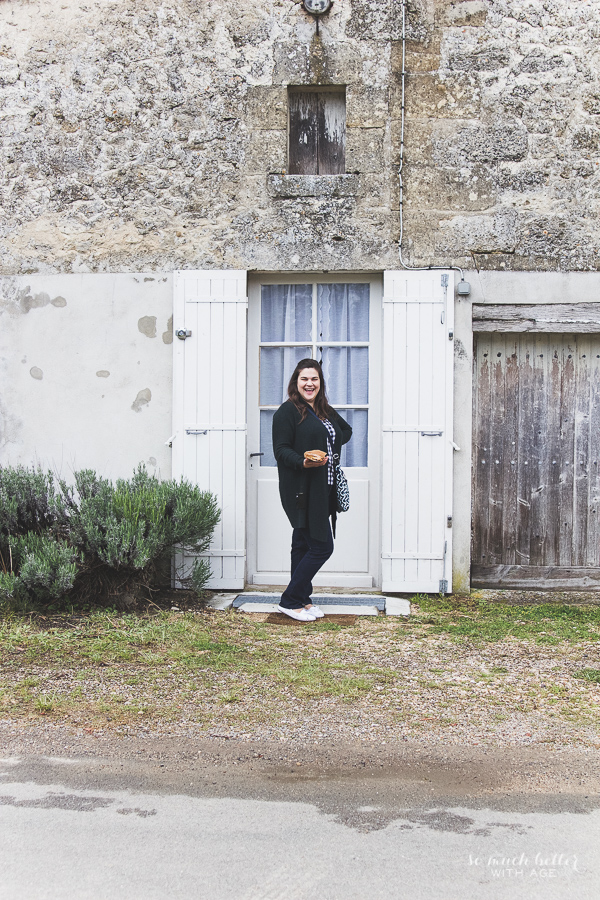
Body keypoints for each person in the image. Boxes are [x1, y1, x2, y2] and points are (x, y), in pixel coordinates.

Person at [272, 358, 352, 622]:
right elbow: (281, 450)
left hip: (324, 488)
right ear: (296, 381)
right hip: (302, 491)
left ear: (320, 382)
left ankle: (302, 599)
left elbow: (345, 431)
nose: (309, 383)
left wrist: (331, 445)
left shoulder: (322, 409)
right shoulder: (287, 412)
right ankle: (289, 600)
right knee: (321, 547)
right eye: (304, 379)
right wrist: (304, 461)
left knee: (302, 546)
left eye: (314, 379)